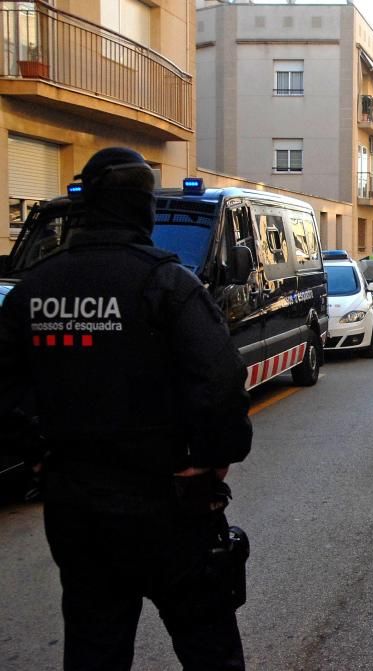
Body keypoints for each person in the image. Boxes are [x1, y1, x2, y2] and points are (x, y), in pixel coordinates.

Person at [0, 147, 252, 670]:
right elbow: (221, 377)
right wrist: (213, 455)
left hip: (76, 506)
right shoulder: (165, 282)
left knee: (95, 645)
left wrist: (36, 454)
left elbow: (5, 387)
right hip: (168, 502)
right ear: (143, 209)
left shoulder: (33, 289)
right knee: (208, 646)